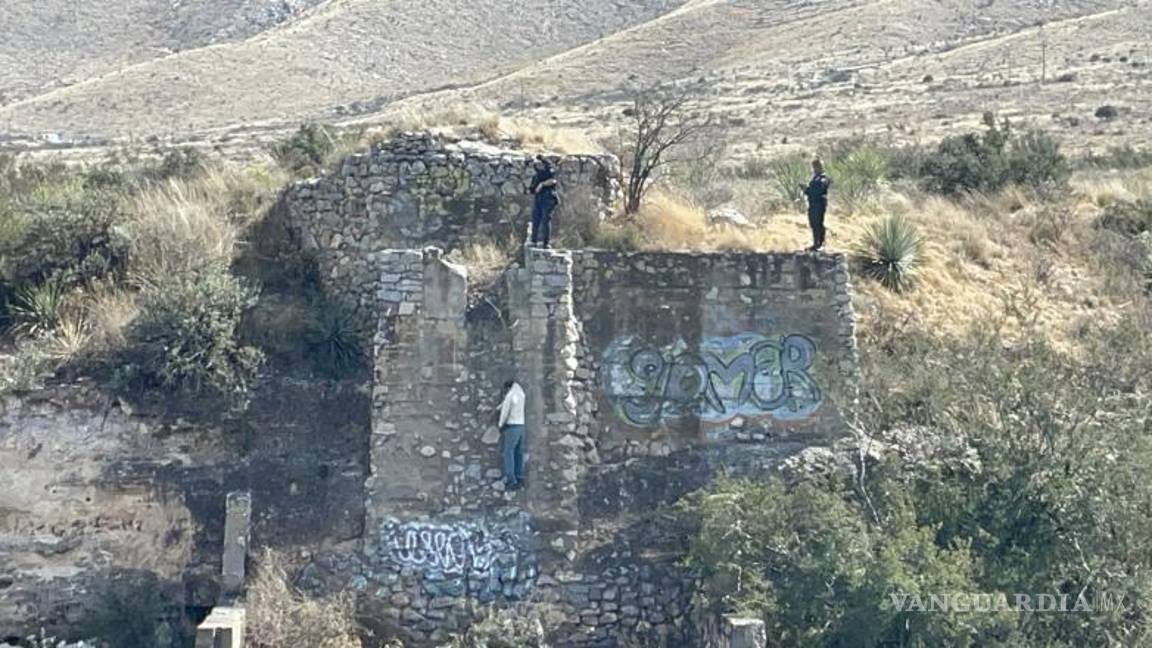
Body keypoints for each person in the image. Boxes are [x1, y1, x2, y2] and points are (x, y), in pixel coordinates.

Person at [496, 379, 526, 490]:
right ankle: (519, 476)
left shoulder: (510, 395)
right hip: (521, 426)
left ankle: (511, 479)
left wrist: (500, 424)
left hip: (512, 426)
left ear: (508, 388)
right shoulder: (521, 394)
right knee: (518, 453)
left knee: (508, 452)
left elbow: (505, 411)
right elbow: (512, 403)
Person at [800, 158, 832, 251]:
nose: (814, 169)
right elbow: (812, 191)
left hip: (819, 204)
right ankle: (816, 243)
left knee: (818, 223)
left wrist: (807, 190)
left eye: (815, 167)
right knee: (814, 224)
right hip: (813, 204)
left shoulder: (823, 178)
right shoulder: (816, 178)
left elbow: (818, 191)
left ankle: (820, 244)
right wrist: (806, 190)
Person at [528, 155, 560, 248]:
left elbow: (553, 180)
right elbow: (532, 189)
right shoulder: (536, 173)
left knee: (545, 220)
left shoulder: (548, 168)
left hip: (548, 197)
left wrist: (542, 184)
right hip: (538, 198)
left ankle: (546, 243)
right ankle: (533, 241)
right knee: (536, 219)